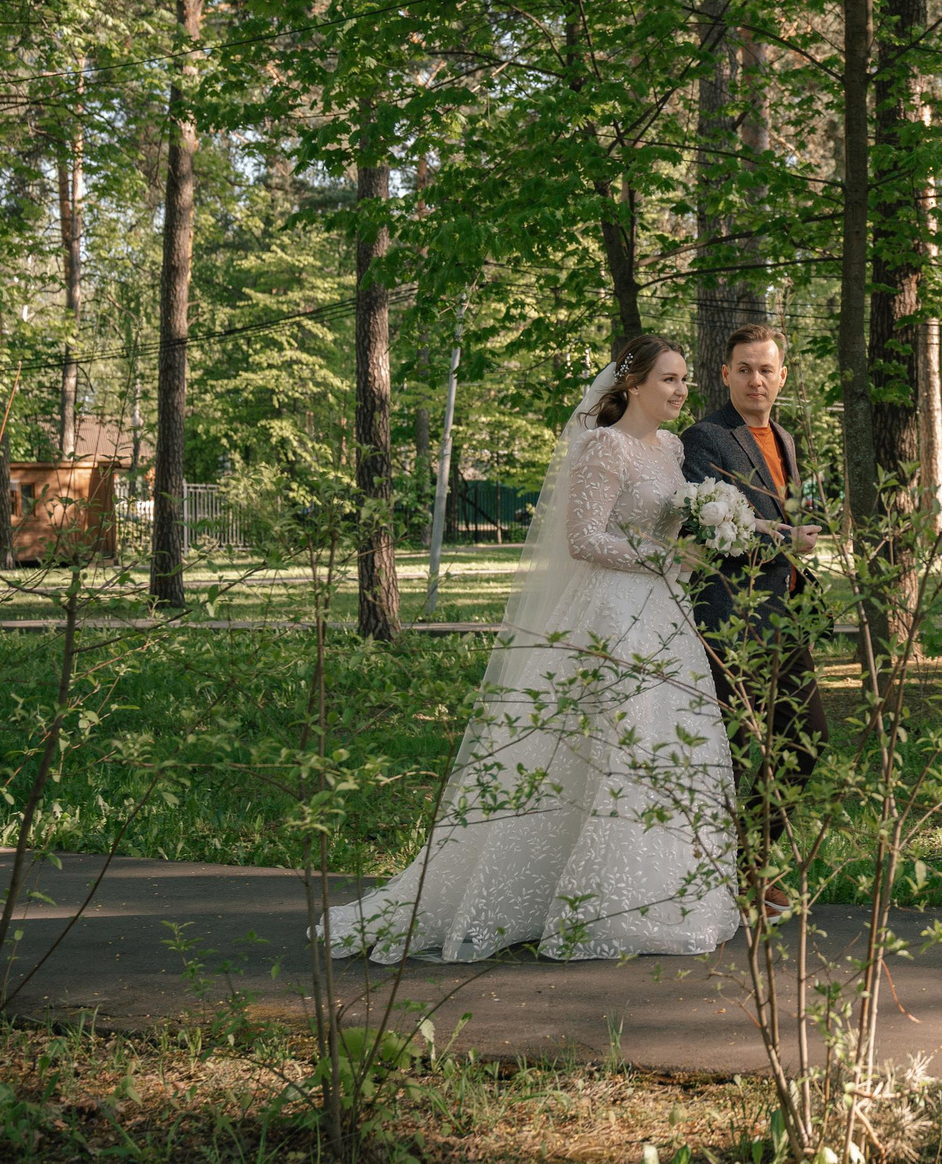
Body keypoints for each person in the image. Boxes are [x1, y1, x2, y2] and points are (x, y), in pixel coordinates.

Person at [323, 335, 740, 962]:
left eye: (685, 379)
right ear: (633, 384)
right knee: (611, 749)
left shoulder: (673, 448)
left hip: (666, 615)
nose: (682, 390)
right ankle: (584, 902)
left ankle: (660, 899)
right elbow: (583, 539)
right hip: (609, 615)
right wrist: (663, 557)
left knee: (666, 746)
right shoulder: (605, 447)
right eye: (669, 379)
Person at [676, 324, 827, 912]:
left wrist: (804, 525)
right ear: (726, 375)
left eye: (765, 369)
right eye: (744, 369)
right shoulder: (705, 437)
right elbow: (710, 525)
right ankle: (736, 880)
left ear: (782, 376)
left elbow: (782, 507)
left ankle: (750, 861)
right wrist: (786, 536)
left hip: (784, 617)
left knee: (808, 738)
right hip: (730, 617)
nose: (755, 380)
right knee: (737, 752)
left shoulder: (783, 437)